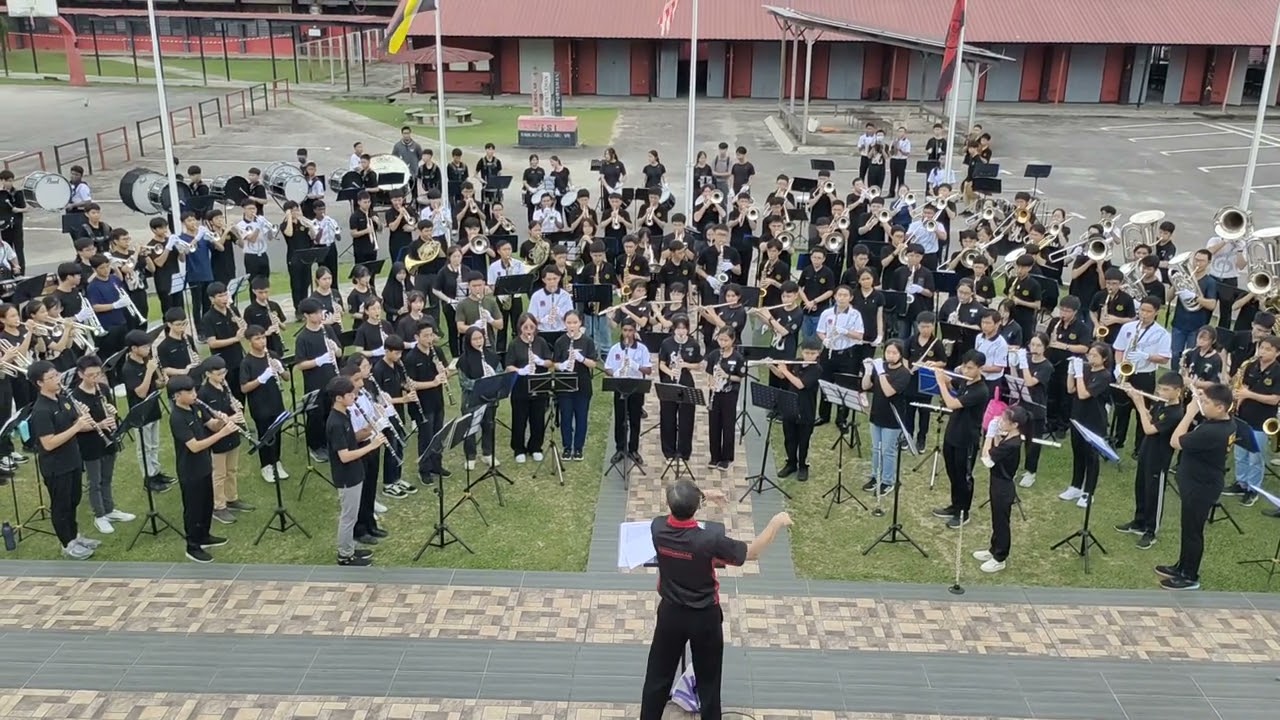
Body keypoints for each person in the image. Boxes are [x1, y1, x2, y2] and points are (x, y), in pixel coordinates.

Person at [639, 479, 791, 720]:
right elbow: (751, 552)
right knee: (709, 681)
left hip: (670, 614)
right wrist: (775, 523)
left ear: (670, 506)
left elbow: (671, 503)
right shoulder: (709, 540)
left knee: (657, 677)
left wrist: (702, 496)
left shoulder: (657, 528)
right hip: (704, 617)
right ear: (695, 509)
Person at [1160, 383, 1236, 590]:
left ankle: (1189, 575)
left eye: (1206, 403)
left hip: (1201, 486)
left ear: (1220, 407)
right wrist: (1201, 396)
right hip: (1198, 481)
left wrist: (1189, 413)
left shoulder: (1212, 432)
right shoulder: (1223, 422)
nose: (1201, 405)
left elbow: (1175, 442)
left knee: (1193, 531)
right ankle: (1181, 565)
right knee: (1188, 527)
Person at [28, 360, 99, 559]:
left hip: (73, 459)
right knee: (61, 505)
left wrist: (86, 421)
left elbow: (74, 423)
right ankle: (67, 544)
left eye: (56, 375)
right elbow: (48, 443)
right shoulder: (41, 410)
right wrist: (77, 427)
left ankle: (75, 536)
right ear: (40, 383)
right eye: (51, 378)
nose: (57, 380)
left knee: (74, 499)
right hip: (56, 466)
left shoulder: (63, 398)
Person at [167, 374, 237, 563]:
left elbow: (212, 425)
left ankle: (204, 536)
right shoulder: (177, 418)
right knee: (193, 509)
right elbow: (195, 446)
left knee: (206, 505)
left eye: (194, 390)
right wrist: (223, 433)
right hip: (190, 471)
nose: (194, 394)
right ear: (176, 396)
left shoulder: (195, 407)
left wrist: (221, 421)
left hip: (204, 465)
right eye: (189, 392)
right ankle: (192, 545)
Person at [1116, 372, 1186, 550]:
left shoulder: (1176, 413)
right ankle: (1139, 521)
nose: (1161, 392)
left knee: (1154, 493)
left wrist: (1139, 404)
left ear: (1178, 391)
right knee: (1141, 487)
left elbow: (1148, 429)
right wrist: (1135, 396)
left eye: (1166, 390)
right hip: (1147, 452)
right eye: (1160, 389)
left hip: (1159, 458)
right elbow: (1150, 418)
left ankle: (1151, 531)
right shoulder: (1162, 403)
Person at [71, 354, 135, 535]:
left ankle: (109, 509)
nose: (94, 379)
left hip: (108, 439)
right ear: (81, 374)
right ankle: (99, 515)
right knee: (95, 481)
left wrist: (113, 415)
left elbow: (110, 412)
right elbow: (76, 426)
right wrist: (98, 425)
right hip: (90, 443)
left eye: (97, 374)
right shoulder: (75, 396)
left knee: (107, 477)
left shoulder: (104, 389)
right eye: (90, 375)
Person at [325, 374, 383, 567]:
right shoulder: (335, 422)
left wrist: (366, 431)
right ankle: (344, 555)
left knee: (354, 512)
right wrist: (371, 446)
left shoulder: (345, 414)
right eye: (350, 394)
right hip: (346, 476)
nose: (354, 397)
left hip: (355, 472)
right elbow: (344, 455)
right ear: (339, 398)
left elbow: (352, 438)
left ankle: (349, 547)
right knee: (348, 517)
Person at [931, 350, 989, 529]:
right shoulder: (966, 380)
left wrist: (941, 383)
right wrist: (939, 371)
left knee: (964, 477)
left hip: (967, 439)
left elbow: (952, 403)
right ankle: (955, 505)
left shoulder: (981, 390)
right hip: (952, 434)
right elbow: (952, 383)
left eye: (970, 368)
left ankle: (963, 512)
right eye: (964, 367)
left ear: (980, 368)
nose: (965, 371)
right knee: (952, 473)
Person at [198, 355, 255, 525]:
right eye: (218, 373)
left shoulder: (225, 386)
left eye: (224, 372)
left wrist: (236, 407)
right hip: (218, 439)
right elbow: (210, 424)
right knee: (219, 474)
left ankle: (232, 498)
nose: (222, 376)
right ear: (208, 374)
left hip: (232, 434)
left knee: (232, 469)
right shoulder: (203, 393)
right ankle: (219, 506)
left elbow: (231, 404)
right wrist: (231, 419)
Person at [974, 405, 1030, 573]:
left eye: (1005, 420)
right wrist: (997, 435)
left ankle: (1000, 557)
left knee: (1001, 522)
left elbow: (987, 459)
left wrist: (989, 435)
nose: (1001, 421)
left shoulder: (1013, 444)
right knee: (996, 519)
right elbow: (998, 448)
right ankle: (993, 549)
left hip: (1003, 486)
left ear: (1015, 425)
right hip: (998, 482)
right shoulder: (1010, 438)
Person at [1226, 335, 1280, 506]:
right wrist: (1238, 398)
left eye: (1267, 349)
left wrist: (1249, 395)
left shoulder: (1278, 372)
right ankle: (1241, 483)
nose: (1262, 352)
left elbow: (1275, 399)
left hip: (1262, 420)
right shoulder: (1251, 366)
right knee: (1240, 454)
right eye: (1261, 348)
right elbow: (1245, 386)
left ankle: (1253, 490)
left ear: (1277, 353)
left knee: (1255, 458)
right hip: (1243, 416)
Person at [120, 329, 174, 493]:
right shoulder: (128, 368)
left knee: (154, 444)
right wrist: (150, 371)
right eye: (144, 347)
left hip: (153, 408)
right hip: (140, 413)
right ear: (133, 348)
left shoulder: (146, 361)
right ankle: (148, 479)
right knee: (144, 447)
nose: (148, 350)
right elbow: (140, 392)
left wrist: (162, 380)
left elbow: (156, 385)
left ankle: (155, 472)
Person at [1060, 343, 1113, 508]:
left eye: (1095, 355)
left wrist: (1079, 374)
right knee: (1078, 453)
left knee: (1091, 457)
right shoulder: (1085, 369)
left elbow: (1083, 394)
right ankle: (1075, 486)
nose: (1091, 358)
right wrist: (1071, 371)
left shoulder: (1105, 375)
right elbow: (1070, 389)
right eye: (1090, 354)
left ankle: (1088, 492)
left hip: (1094, 421)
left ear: (1104, 358)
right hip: (1078, 417)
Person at [861, 339, 911, 493]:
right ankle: (875, 476)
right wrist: (869, 371)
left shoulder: (903, 373)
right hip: (876, 413)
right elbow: (865, 386)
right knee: (876, 448)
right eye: (888, 352)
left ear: (900, 355)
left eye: (894, 353)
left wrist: (881, 372)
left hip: (892, 417)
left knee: (887, 450)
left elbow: (889, 392)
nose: (890, 355)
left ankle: (888, 480)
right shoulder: (880, 367)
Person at [240, 325, 288, 483]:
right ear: (249, 341)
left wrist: (280, 369)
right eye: (257, 339)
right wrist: (261, 378)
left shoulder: (272, 355)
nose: (262, 341)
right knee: (264, 434)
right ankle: (266, 465)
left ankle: (277, 461)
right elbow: (244, 387)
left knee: (277, 433)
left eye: (263, 337)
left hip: (275, 401)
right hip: (260, 405)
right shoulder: (247, 362)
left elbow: (287, 377)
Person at [294, 298, 340, 463]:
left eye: (321, 312)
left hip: (332, 379)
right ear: (307, 315)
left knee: (331, 413)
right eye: (316, 313)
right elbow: (300, 364)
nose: (320, 315)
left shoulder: (327, 330)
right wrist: (319, 361)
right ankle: (315, 446)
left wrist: (336, 349)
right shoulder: (303, 338)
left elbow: (340, 353)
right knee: (316, 415)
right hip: (315, 382)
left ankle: (330, 442)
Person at [773, 339, 824, 481]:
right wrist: (771, 366)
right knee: (789, 438)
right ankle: (791, 463)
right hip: (790, 406)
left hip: (806, 409)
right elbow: (782, 375)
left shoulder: (817, 369)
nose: (809, 356)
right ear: (802, 351)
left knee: (803, 440)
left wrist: (785, 370)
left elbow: (800, 384)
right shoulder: (797, 362)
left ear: (818, 353)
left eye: (812, 353)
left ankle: (803, 466)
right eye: (806, 353)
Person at [604, 318, 652, 465]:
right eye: (625, 330)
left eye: (630, 330)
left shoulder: (642, 349)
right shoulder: (615, 349)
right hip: (620, 386)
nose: (627, 334)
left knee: (635, 420)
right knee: (620, 419)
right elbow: (607, 367)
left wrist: (635, 365)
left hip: (636, 387)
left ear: (634, 331)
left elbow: (648, 370)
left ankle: (633, 449)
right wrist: (615, 373)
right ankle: (620, 448)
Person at [552, 310, 597, 460]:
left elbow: (593, 364)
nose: (572, 326)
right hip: (565, 384)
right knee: (566, 416)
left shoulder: (587, 341)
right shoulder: (560, 342)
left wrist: (581, 359)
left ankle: (578, 448)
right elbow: (554, 364)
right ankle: (567, 446)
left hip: (582, 385)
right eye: (569, 323)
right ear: (564, 324)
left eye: (575, 322)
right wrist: (563, 365)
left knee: (581, 417)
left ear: (580, 323)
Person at [657, 315, 703, 463]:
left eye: (684, 328)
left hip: (686, 381)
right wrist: (671, 372)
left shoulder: (693, 344)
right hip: (669, 382)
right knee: (668, 418)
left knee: (686, 419)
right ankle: (669, 452)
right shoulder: (666, 343)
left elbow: (697, 364)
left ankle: (683, 453)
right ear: (674, 329)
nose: (681, 331)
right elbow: (661, 364)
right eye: (678, 328)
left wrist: (685, 365)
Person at [458, 326, 502, 469]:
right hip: (472, 401)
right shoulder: (463, 360)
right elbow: (464, 382)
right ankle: (470, 456)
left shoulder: (492, 356)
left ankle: (488, 453)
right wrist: (482, 383)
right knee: (470, 428)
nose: (478, 342)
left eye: (480, 338)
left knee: (489, 425)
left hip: (489, 399)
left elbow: (500, 372)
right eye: (475, 339)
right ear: (469, 341)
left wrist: (494, 381)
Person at [703, 326, 745, 472]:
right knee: (714, 425)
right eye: (720, 340)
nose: (722, 343)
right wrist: (710, 383)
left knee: (727, 426)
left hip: (729, 394)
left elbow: (740, 378)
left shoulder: (738, 357)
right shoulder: (714, 355)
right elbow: (709, 372)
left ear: (732, 340)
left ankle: (727, 458)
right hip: (716, 393)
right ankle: (715, 456)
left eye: (725, 340)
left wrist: (726, 375)